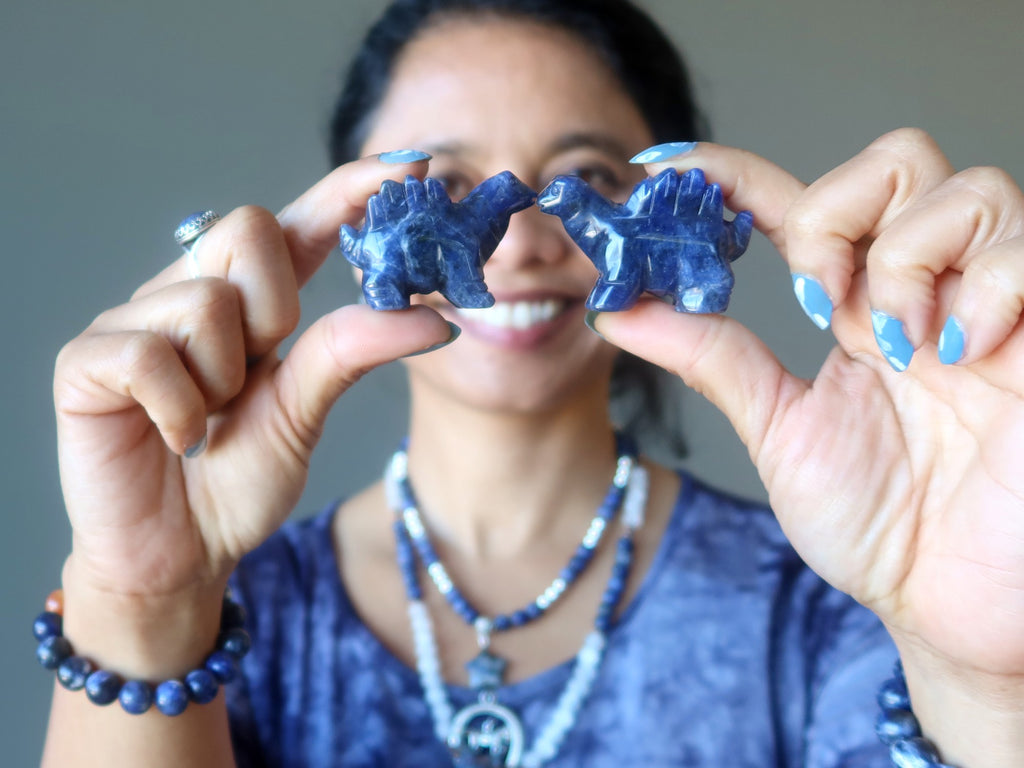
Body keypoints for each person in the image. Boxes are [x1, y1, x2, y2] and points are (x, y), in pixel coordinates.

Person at [40, 0, 1024, 765]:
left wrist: (987, 686)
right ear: (354, 212)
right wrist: (143, 602)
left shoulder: (829, 604)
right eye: (450, 182)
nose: (518, 241)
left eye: (589, 173)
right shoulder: (239, 618)